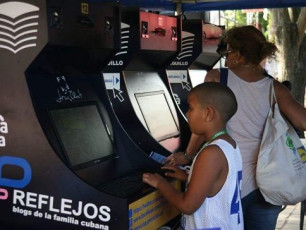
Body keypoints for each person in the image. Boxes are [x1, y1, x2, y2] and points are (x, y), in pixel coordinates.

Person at [165, 25, 306, 230]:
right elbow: (302, 121)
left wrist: (187, 156)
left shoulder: (217, 78)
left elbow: (201, 127)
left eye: (227, 52)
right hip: (266, 184)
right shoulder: (273, 88)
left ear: (239, 55)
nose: (226, 57)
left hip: (226, 179)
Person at [143, 82, 244, 230]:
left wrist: (160, 183)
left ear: (208, 113)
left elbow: (188, 206)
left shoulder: (211, 153)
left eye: (191, 108)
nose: (187, 114)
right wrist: (188, 177)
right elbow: (218, 185)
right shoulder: (229, 145)